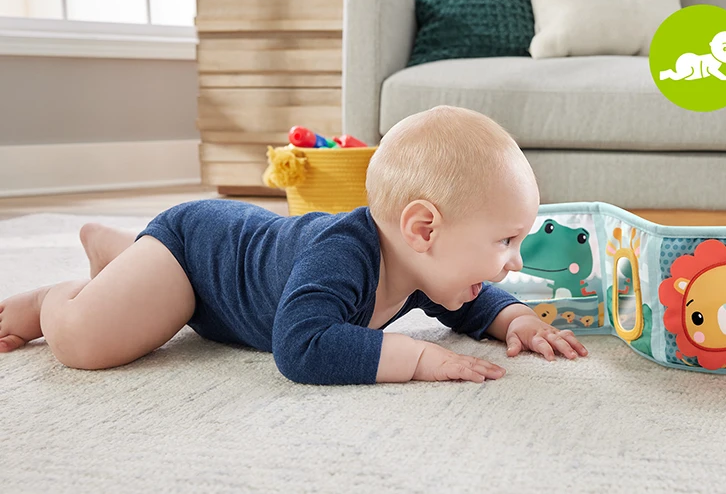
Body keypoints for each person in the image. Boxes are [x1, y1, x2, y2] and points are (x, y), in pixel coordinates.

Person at [0, 106, 588, 385]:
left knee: (136, 302)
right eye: (505, 240)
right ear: (425, 230)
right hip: (194, 258)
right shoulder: (343, 256)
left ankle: (122, 255)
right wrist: (419, 359)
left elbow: (469, 301)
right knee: (88, 344)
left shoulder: (423, 268)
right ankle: (54, 297)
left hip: (224, 258)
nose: (515, 260)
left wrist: (515, 320)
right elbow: (300, 345)